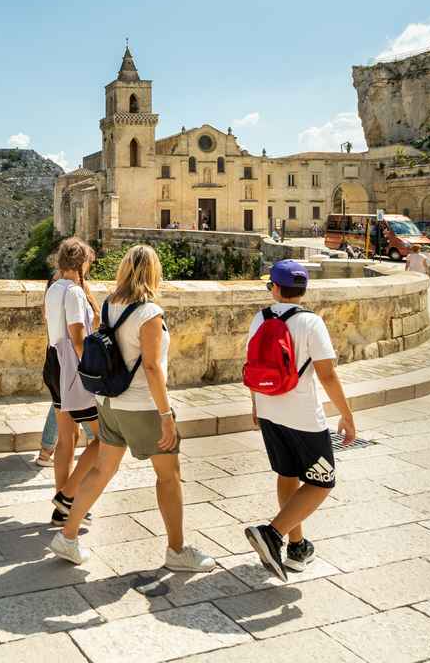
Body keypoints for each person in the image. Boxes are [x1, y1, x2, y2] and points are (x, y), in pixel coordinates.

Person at [47, 245, 216, 572]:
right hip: (143, 407)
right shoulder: (149, 313)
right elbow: (152, 368)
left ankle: (67, 536)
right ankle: (177, 551)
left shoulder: (110, 304)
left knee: (102, 469)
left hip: (111, 403)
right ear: (154, 272)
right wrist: (166, 416)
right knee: (169, 477)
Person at [244, 260, 358, 581]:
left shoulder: (260, 318)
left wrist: (255, 405)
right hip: (304, 416)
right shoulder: (310, 322)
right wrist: (346, 415)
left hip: (268, 409)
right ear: (303, 289)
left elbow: (250, 366)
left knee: (288, 473)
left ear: (276, 288)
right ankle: (273, 533)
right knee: (323, 482)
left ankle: (297, 547)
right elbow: (327, 374)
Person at [42, 238, 103, 525]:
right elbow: (77, 336)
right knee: (104, 438)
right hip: (72, 368)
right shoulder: (76, 293)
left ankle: (61, 510)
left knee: (68, 438)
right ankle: (68, 496)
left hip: (53, 362)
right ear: (82, 263)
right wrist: (93, 371)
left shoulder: (54, 288)